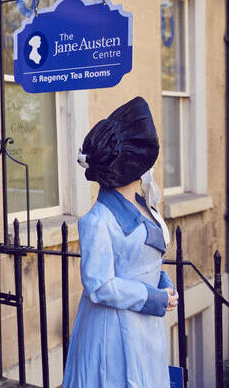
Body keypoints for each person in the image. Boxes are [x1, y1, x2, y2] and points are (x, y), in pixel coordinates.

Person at [62, 97, 179, 387]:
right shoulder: (97, 221)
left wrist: (162, 283)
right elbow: (99, 286)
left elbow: (142, 259)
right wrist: (154, 298)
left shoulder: (142, 204)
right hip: (113, 333)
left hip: (143, 327)